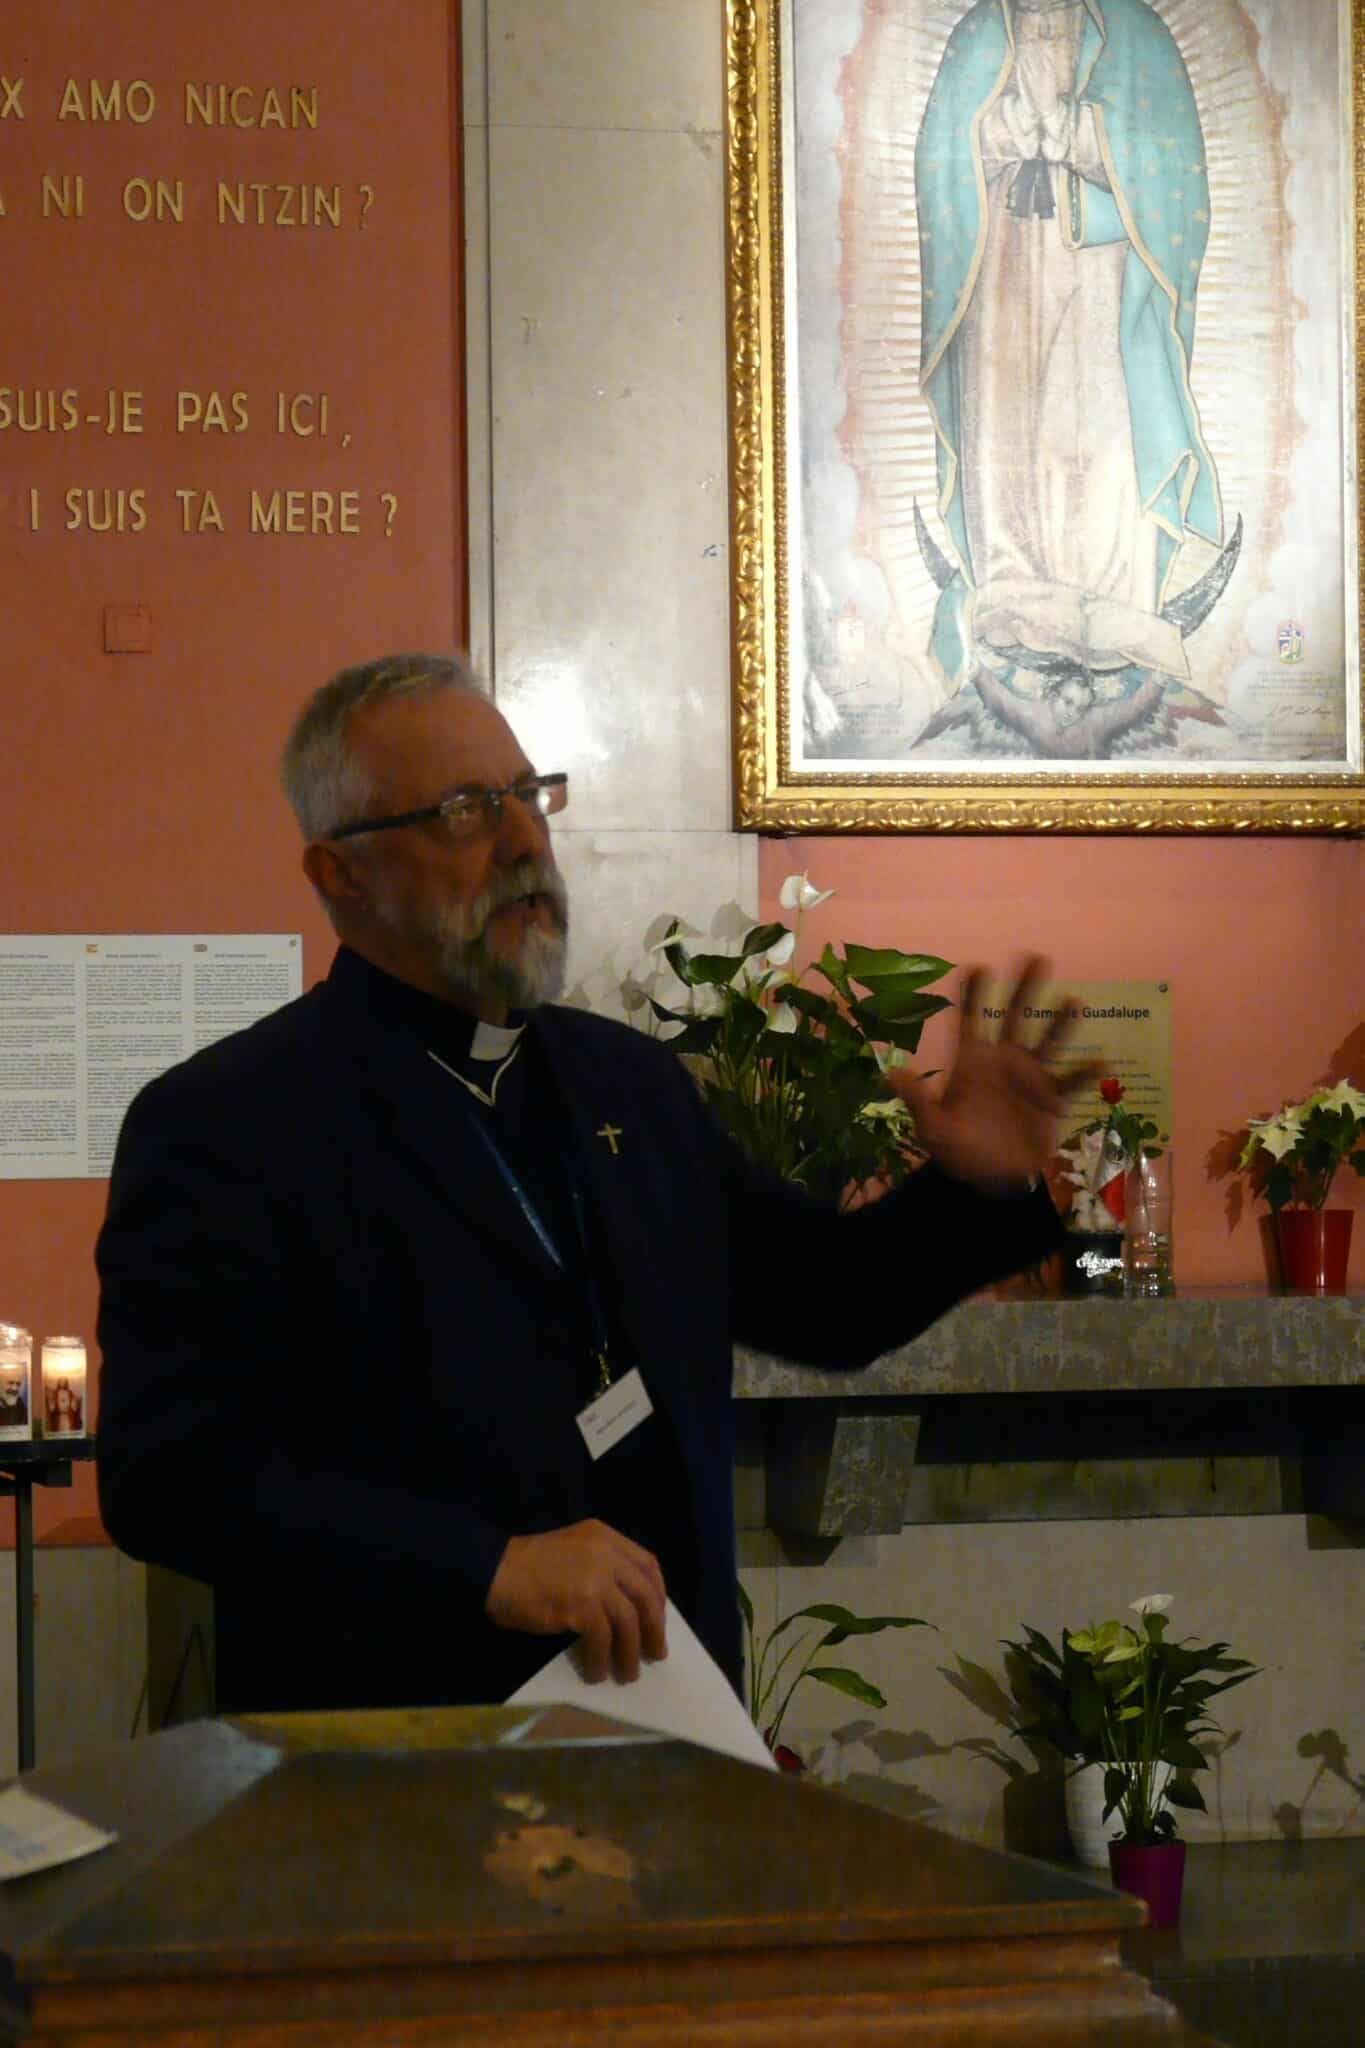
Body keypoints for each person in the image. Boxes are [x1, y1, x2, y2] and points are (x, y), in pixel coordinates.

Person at [96, 652, 1086, 1715]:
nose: (525, 841)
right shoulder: (232, 1122)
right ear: (343, 875)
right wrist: (484, 1565)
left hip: (668, 1727)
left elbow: (826, 1301)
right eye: (466, 812)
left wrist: (972, 1191)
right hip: (408, 1754)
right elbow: (171, 1475)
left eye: (529, 795)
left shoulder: (630, 1084)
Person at [916, 0, 1223, 707]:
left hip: (1099, 269)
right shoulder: (979, 32)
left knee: (1097, 419)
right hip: (999, 266)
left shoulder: (1134, 34)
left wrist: (1075, 131)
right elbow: (939, 159)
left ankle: (1110, 598)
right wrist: (1006, 126)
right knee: (1006, 422)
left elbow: (1173, 166)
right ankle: (1013, 589)